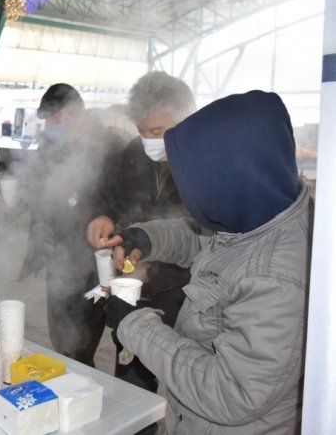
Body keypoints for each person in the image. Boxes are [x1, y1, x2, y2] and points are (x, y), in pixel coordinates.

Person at [105, 90, 311, 434]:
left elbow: (232, 394)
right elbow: (208, 240)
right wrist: (148, 237)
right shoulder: (263, 205)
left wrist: (135, 324)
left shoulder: (276, 276)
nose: (188, 198)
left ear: (229, 176)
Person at [85, 71, 195, 402]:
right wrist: (103, 217)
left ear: (185, 118)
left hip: (185, 294)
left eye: (158, 132)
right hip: (134, 289)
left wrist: (153, 267)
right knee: (132, 377)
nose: (149, 140)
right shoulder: (133, 151)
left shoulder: (202, 160)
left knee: (186, 384)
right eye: (142, 131)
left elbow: (203, 236)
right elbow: (110, 197)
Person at [17, 83, 127, 367]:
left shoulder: (112, 146)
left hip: (95, 260)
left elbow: (126, 198)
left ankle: (85, 393)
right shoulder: (49, 147)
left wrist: (104, 215)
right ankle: (72, 383)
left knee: (81, 342)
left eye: (56, 119)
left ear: (75, 113)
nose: (51, 126)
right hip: (57, 256)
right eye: (48, 121)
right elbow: (33, 189)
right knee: (61, 336)